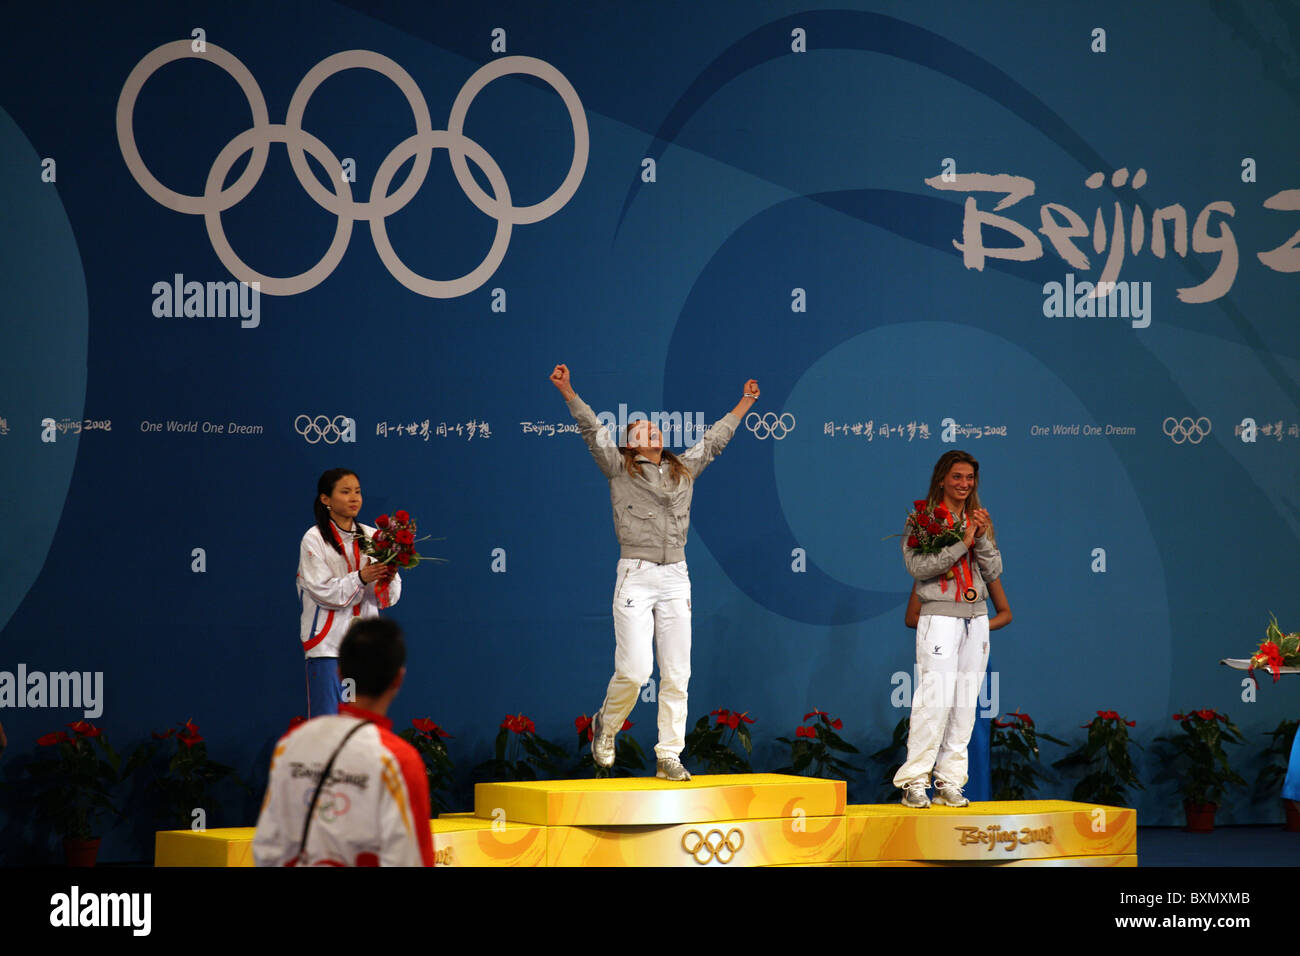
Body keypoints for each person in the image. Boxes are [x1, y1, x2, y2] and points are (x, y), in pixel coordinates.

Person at [550, 363, 758, 781]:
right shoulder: (618, 468)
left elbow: (714, 441)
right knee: (635, 670)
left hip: (676, 577)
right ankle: (604, 728)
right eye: (642, 431)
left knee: (678, 673)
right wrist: (568, 390)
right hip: (636, 574)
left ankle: (669, 754)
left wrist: (746, 403)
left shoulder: (683, 469)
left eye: (655, 429)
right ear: (629, 445)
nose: (653, 433)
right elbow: (593, 430)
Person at [253, 618, 433, 866]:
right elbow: (410, 859)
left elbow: (267, 847)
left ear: (339, 673)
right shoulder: (398, 760)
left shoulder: (291, 746)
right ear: (398, 679)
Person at [894, 450, 1003, 809]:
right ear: (942, 478)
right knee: (934, 699)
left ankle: (951, 782)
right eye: (957, 477)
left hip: (976, 616)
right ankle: (914, 781)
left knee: (965, 703)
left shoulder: (978, 518)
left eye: (970, 478)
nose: (964, 484)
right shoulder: (922, 519)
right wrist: (963, 542)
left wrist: (983, 537)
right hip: (939, 615)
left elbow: (993, 570)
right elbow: (918, 568)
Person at [298, 468, 400, 717]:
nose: (354, 497)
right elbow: (322, 591)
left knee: (362, 723)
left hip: (366, 648)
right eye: (345, 492)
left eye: (358, 491)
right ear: (326, 499)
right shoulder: (314, 539)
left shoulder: (374, 536)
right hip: (329, 646)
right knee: (328, 723)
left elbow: (387, 598)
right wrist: (361, 577)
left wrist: (386, 579)